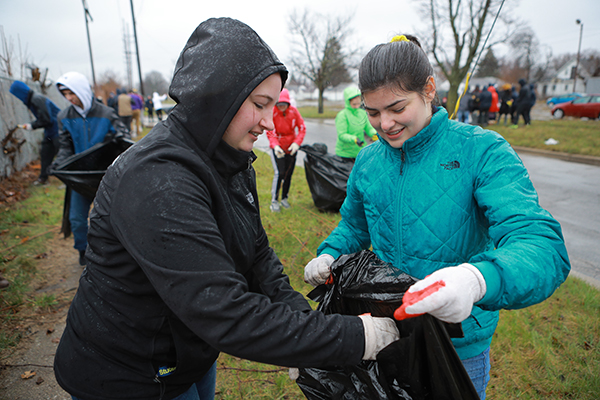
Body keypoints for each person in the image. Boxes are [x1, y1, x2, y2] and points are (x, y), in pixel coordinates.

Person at [53, 18, 400, 400]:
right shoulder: (158, 180)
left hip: (188, 354)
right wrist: (354, 337)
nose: (269, 123)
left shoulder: (229, 157)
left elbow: (257, 258)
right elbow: (223, 311)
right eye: (259, 105)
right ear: (218, 98)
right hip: (129, 372)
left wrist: (304, 329)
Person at [303, 34, 570, 400]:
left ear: (428, 89)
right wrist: (330, 253)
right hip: (384, 333)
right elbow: (353, 225)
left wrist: (477, 279)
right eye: (373, 112)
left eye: (397, 108)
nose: (385, 124)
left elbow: (541, 244)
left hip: (458, 348)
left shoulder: (482, 150)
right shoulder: (367, 161)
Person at [49, 72, 128, 266]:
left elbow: (123, 137)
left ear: (82, 91)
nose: (69, 98)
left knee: (113, 216)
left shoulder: (106, 114)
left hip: (104, 175)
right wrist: (59, 164)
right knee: (76, 218)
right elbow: (66, 146)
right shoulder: (64, 116)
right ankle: (83, 251)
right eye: (65, 94)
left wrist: (117, 136)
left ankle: (118, 251)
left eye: (72, 93)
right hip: (81, 176)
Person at [9, 80, 61, 185]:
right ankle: (43, 178)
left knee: (62, 154)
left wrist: (32, 125)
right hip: (50, 130)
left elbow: (47, 119)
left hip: (58, 129)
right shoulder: (34, 99)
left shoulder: (36, 99)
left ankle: (68, 180)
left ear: (21, 92)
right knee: (45, 153)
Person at [266, 88, 306, 212]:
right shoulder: (273, 112)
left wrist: (296, 143)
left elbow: (302, 128)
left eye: (284, 105)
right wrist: (275, 145)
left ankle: (284, 198)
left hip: (291, 149)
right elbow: (270, 131)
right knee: (280, 173)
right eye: (279, 104)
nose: (281, 107)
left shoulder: (294, 112)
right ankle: (274, 200)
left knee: (288, 174)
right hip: (278, 148)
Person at [334, 85, 378, 161]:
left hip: (359, 152)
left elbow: (368, 128)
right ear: (348, 102)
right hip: (344, 154)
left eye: (359, 103)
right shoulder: (342, 115)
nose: (357, 106)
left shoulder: (362, 113)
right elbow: (342, 135)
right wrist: (354, 139)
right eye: (354, 104)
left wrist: (374, 134)